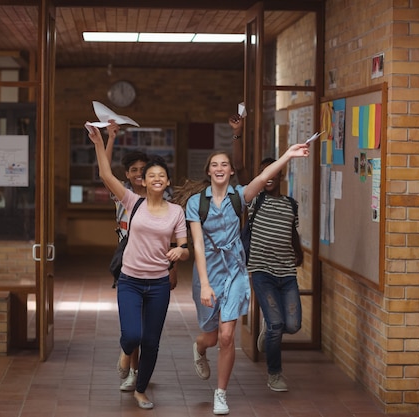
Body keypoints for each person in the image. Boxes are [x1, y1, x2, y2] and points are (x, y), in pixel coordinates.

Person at [173, 135, 309, 415]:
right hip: (207, 273)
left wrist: (288, 155)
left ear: (231, 171)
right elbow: (197, 245)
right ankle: (199, 349)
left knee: (226, 336)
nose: (220, 168)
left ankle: (220, 393)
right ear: (209, 171)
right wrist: (205, 285)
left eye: (225, 164)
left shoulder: (240, 197)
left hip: (235, 271)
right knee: (210, 338)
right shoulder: (196, 203)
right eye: (215, 165)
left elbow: (263, 177)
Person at [88, 124, 190, 410]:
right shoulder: (132, 202)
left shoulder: (176, 212)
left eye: (161, 175)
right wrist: (100, 140)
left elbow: (183, 247)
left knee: (152, 341)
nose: (156, 179)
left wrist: (178, 255)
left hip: (158, 284)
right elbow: (106, 175)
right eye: (151, 175)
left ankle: (141, 389)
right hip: (130, 280)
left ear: (167, 182)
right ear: (143, 181)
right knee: (132, 335)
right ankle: (124, 352)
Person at [230, 114, 303, 393]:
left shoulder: (291, 205)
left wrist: (298, 253)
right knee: (276, 324)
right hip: (261, 271)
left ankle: (269, 332)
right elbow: (239, 167)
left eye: (274, 172)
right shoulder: (255, 199)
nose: (269, 177)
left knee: (292, 326)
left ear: (282, 175)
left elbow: (293, 233)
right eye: (264, 174)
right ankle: (274, 373)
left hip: (287, 272)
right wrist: (238, 133)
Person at [104, 122, 178, 392]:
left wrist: (173, 267)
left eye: (142, 170)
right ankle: (133, 372)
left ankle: (137, 373)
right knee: (133, 326)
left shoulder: (164, 199)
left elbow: (171, 239)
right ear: (127, 174)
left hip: (156, 269)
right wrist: (110, 138)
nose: (138, 174)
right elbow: (105, 172)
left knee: (149, 328)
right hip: (128, 265)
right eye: (133, 170)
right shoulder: (123, 196)